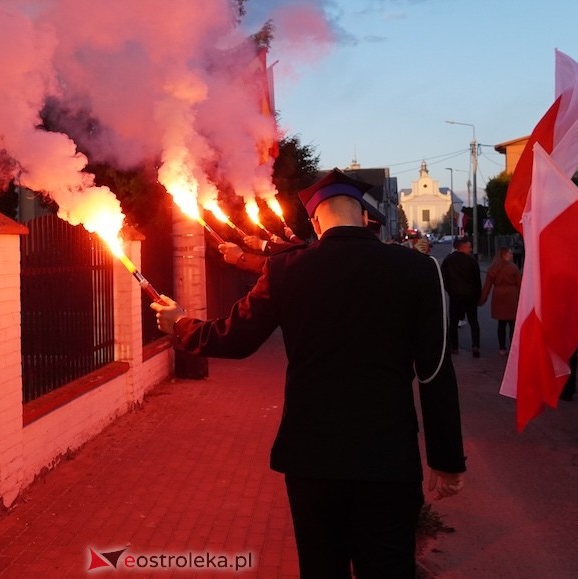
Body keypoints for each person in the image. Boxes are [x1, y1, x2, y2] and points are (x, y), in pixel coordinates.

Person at [150, 168, 466, 578]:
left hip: (311, 458)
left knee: (321, 568)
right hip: (387, 458)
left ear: (316, 221)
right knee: (389, 568)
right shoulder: (418, 270)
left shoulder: (286, 270)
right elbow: (435, 372)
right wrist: (447, 459)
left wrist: (180, 324)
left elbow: (235, 338)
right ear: (364, 216)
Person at [441, 237, 482, 357]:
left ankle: (454, 347)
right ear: (463, 247)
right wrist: (478, 295)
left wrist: (450, 290)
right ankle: (475, 346)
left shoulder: (448, 260)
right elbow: (477, 280)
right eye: (469, 247)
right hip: (470, 296)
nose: (471, 249)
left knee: (453, 322)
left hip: (455, 295)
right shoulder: (472, 261)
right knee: (473, 321)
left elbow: (444, 278)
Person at [479, 247, 520, 356]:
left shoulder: (493, 268)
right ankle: (512, 346)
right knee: (512, 324)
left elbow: (487, 286)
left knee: (501, 324)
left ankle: (502, 348)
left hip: (499, 296)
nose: (512, 255)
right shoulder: (514, 268)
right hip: (512, 295)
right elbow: (520, 284)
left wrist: (482, 300)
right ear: (505, 255)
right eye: (510, 254)